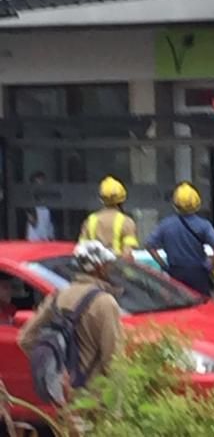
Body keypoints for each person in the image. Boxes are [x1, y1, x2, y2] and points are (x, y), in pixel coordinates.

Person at [19, 241, 124, 404]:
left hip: (64, 397)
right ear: (98, 268)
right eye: (107, 265)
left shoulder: (58, 297)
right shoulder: (105, 302)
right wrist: (117, 403)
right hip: (94, 399)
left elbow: (25, 339)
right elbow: (113, 358)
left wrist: (56, 370)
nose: (110, 270)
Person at [146, 181, 214, 297]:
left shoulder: (166, 224)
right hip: (198, 273)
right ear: (197, 203)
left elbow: (149, 245)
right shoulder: (204, 225)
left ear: (175, 204)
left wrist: (163, 265)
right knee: (201, 304)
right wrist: (211, 265)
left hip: (175, 271)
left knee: (177, 303)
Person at [79, 176, 139, 259]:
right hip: (117, 269)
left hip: (93, 270)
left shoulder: (90, 220)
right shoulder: (127, 222)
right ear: (123, 199)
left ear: (101, 199)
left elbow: (81, 249)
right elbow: (127, 255)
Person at [26, 171, 55, 242]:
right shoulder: (29, 202)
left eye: (43, 183)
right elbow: (33, 222)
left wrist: (50, 237)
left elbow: (49, 223)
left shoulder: (49, 203)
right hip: (34, 239)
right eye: (38, 183)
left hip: (47, 239)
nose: (41, 186)